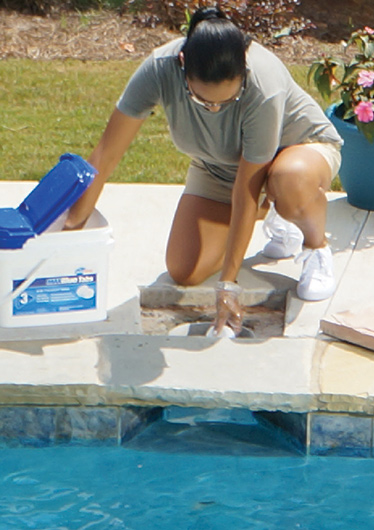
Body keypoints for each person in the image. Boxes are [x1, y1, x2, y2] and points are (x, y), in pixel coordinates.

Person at [63, 6, 342, 336]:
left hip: (299, 152)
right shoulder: (158, 68)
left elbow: (246, 187)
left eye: (227, 101)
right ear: (183, 67)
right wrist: (68, 236)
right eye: (203, 101)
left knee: (288, 181)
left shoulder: (263, 84)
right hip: (219, 167)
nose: (215, 109)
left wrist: (229, 285)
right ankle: (273, 210)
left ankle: (314, 244)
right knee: (184, 270)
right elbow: (105, 157)